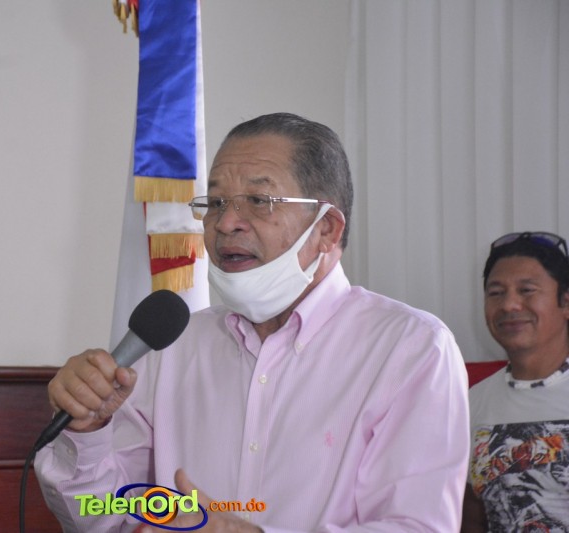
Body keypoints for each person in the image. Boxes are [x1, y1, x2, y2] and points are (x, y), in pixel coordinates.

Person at [35, 112, 470, 532]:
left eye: (259, 201)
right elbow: (102, 517)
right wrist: (87, 433)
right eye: (216, 202)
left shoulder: (411, 349)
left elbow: (417, 526)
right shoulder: (172, 347)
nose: (226, 223)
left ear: (327, 229)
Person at [462, 232, 569, 532]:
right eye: (496, 293)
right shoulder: (472, 404)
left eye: (527, 290)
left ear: (565, 302)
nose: (509, 304)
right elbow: (471, 518)